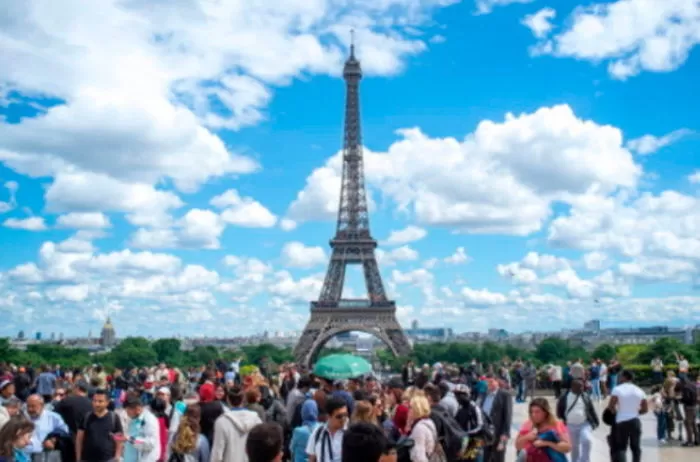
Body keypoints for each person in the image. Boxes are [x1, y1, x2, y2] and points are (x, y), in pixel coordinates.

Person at [210, 387, 263, 462]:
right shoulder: (256, 420)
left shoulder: (221, 422)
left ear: (228, 399)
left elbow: (217, 454)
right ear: (244, 399)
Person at [607, 370, 647, 462]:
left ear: (624, 377)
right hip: (635, 421)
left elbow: (611, 406)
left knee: (621, 447)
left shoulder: (617, 389)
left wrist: (616, 413)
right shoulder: (639, 390)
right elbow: (645, 409)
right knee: (636, 447)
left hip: (621, 421)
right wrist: (635, 413)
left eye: (621, 376)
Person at [556, 379, 598, 462]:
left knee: (587, 440)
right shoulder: (564, 397)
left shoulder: (585, 396)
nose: (582, 389)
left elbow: (591, 409)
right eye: (579, 387)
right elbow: (559, 410)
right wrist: (562, 420)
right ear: (573, 387)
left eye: (582, 387)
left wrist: (595, 422)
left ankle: (584, 460)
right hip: (570, 425)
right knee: (574, 446)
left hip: (584, 424)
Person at [76, 389, 124, 462]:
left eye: (100, 401)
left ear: (107, 402)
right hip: (87, 459)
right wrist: (78, 458)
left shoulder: (114, 417)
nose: (96, 404)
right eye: (94, 401)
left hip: (108, 459)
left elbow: (119, 439)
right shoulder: (87, 417)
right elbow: (79, 439)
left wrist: (117, 457)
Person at [478, 379, 512, 462]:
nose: (489, 384)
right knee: (486, 456)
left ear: (497, 382)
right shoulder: (484, 394)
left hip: (499, 432)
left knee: (498, 457)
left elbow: (508, 415)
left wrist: (505, 433)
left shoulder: (504, 394)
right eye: (488, 382)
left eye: (492, 381)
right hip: (486, 432)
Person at [306, 397, 348, 462]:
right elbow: (312, 458)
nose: (343, 419)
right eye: (339, 416)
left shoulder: (350, 433)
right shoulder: (318, 432)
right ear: (329, 416)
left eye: (345, 415)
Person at [123, 392, 161, 462]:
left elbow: (150, 443)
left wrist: (130, 439)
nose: (127, 412)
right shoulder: (134, 418)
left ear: (138, 409)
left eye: (128, 410)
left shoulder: (149, 420)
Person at [407, 395, 437, 462]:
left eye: (410, 407)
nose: (408, 410)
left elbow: (419, 457)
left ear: (417, 409)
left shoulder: (419, 428)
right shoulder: (429, 421)